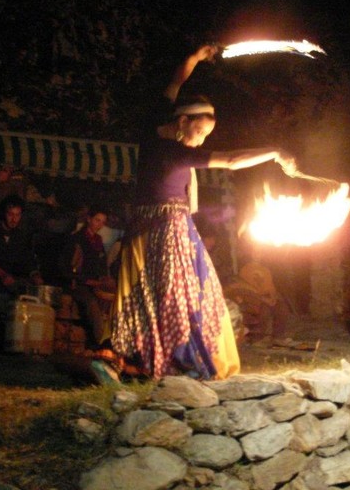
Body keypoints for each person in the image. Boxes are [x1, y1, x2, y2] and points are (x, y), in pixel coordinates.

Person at [111, 44, 298, 380]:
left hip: (154, 228)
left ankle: (149, 356)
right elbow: (229, 159)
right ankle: (173, 358)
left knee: (184, 293)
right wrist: (273, 152)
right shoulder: (172, 154)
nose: (201, 140)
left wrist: (194, 58)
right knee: (179, 296)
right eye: (201, 132)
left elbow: (174, 81)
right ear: (184, 121)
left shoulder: (156, 124)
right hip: (165, 234)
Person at [0, 194, 44, 355]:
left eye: (17, 215)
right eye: (10, 214)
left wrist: (35, 275)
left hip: (11, 278)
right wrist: (1, 274)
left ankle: (20, 343)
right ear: (3, 214)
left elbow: (27, 259)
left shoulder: (20, 236)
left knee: (26, 295)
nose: (14, 219)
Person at [58, 207, 117, 349]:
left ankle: (119, 338)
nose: (100, 224)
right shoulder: (76, 239)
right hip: (78, 284)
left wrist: (104, 279)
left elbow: (102, 265)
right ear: (89, 219)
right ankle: (102, 342)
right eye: (97, 220)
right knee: (91, 303)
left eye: (103, 222)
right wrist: (86, 280)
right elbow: (66, 268)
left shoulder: (98, 240)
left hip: (95, 283)